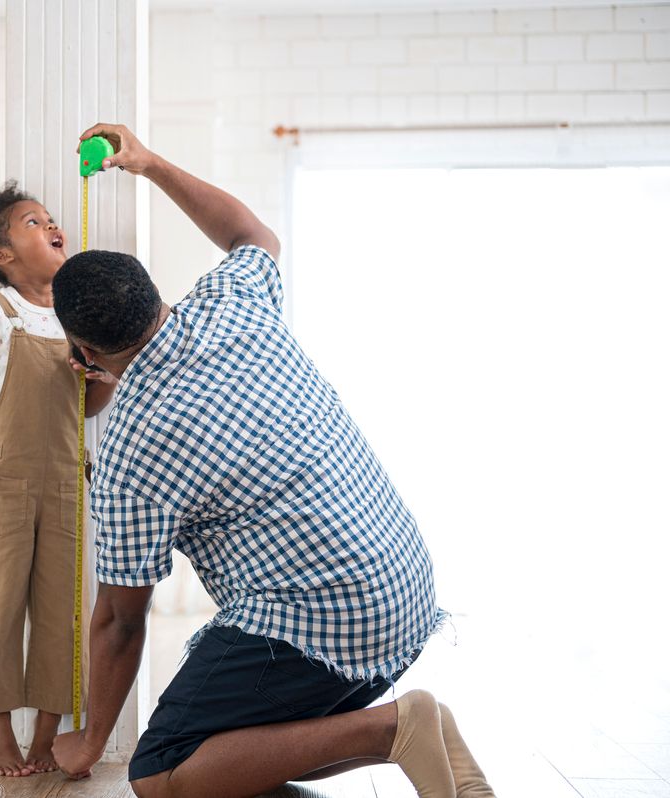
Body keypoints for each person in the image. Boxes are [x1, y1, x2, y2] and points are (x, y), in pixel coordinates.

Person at [48, 124, 495, 798]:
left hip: (326, 621)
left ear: (83, 354)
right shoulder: (233, 301)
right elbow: (251, 235)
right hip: (404, 588)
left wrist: (87, 743)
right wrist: (148, 162)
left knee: (163, 770)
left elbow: (120, 621)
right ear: (152, 290)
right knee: (249, 747)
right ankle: (389, 725)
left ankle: (394, 728)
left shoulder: (130, 451)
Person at [0, 178, 118, 777]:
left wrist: (101, 381)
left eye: (49, 219)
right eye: (32, 223)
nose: (50, 226)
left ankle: (46, 737)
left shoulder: (76, 317)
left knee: (60, 608)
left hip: (69, 481)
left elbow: (85, 409)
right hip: (7, 476)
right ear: (4, 256)